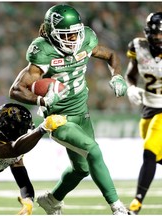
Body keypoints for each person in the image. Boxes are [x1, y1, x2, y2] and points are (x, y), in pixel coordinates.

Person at [9, 4, 128, 215]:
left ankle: (52, 200)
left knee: (81, 169)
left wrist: (117, 75)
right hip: (58, 119)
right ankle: (117, 207)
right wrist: (42, 101)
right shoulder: (43, 51)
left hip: (82, 112)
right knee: (94, 151)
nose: (73, 39)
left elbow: (111, 55)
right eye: (67, 35)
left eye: (76, 33)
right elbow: (16, 90)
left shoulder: (86, 40)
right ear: (53, 34)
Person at [125, 12, 162, 215]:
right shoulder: (138, 46)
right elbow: (131, 74)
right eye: (155, 34)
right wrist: (131, 87)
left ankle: (136, 203)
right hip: (148, 107)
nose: (158, 38)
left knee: (149, 151)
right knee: (157, 157)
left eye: (161, 34)